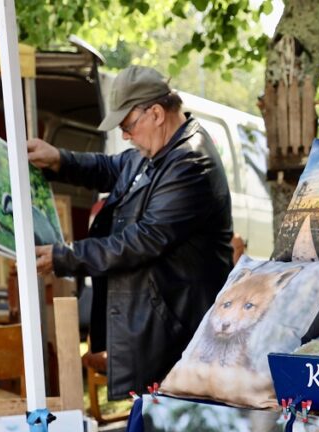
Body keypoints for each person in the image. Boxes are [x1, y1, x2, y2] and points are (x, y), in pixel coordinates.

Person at [28, 65, 233, 396]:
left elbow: (143, 240)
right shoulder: (156, 149)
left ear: (155, 113)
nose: (124, 136)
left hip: (177, 329)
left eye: (127, 126)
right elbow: (111, 167)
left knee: (164, 431)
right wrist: (59, 160)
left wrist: (66, 257)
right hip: (159, 323)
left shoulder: (190, 162)